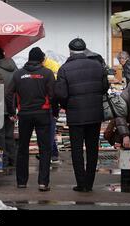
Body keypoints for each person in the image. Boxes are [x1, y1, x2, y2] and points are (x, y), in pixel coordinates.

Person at [54, 38, 109, 192]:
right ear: (85, 50)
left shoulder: (64, 69)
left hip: (75, 115)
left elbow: (61, 94)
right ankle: (89, 183)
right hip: (95, 114)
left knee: (77, 150)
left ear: (70, 51)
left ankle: (81, 183)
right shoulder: (98, 66)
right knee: (93, 149)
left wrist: (68, 105)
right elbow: (105, 87)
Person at [6, 47, 57, 191]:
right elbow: (53, 95)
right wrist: (56, 111)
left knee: (22, 148)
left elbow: (8, 94)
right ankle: (43, 183)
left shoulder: (18, 74)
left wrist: (12, 111)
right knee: (45, 149)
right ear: (41, 59)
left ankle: (21, 182)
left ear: (29, 59)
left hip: (24, 115)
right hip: (43, 114)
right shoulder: (47, 73)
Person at [0, 48, 18, 167]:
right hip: (11, 107)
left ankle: (3, 161)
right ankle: (13, 159)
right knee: (9, 135)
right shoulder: (15, 69)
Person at [43, 57, 61, 164]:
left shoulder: (46, 71)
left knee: (48, 132)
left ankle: (48, 156)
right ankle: (54, 154)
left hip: (46, 106)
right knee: (50, 131)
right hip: (51, 105)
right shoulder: (54, 65)